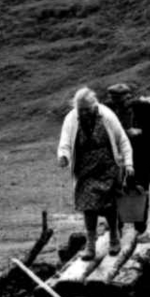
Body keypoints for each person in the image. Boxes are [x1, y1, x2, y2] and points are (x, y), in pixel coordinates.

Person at [57, 87, 133, 260]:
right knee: (88, 206)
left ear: (94, 106)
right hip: (85, 170)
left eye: (86, 110)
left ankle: (114, 236)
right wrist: (63, 156)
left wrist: (128, 163)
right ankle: (90, 244)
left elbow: (122, 140)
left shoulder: (107, 116)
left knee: (109, 205)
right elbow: (65, 140)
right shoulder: (71, 118)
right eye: (80, 110)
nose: (83, 113)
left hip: (107, 167)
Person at [104, 82, 150, 237]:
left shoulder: (145, 108)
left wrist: (141, 133)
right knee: (114, 189)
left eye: (121, 99)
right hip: (115, 157)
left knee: (140, 188)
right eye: (115, 100)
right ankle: (115, 226)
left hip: (141, 156)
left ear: (129, 96)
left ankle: (140, 228)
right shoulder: (106, 110)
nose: (118, 103)